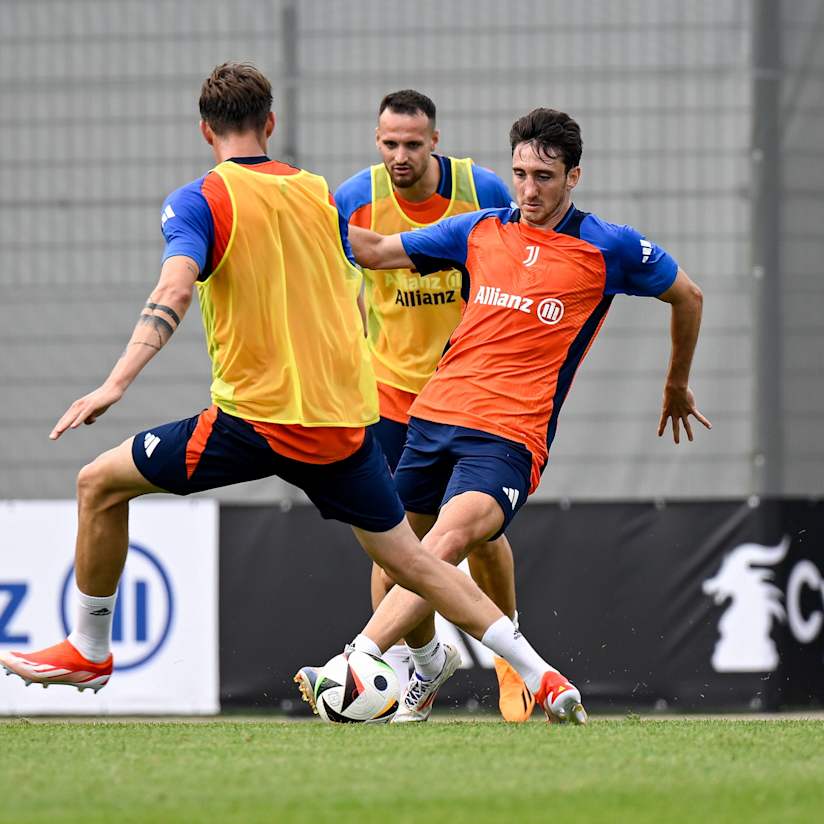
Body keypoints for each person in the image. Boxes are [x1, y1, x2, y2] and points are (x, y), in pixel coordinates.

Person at [0, 67, 586, 730]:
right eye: (387, 143)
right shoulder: (318, 194)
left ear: (204, 130)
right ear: (270, 125)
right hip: (345, 418)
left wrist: (116, 381)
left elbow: (175, 289)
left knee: (99, 483)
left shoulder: (199, 200)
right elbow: (357, 265)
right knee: (415, 561)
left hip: (257, 418)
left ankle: (91, 648)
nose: (399, 156)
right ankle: (538, 673)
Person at [299, 107, 709, 723]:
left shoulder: (608, 246)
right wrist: (300, 219)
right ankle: (433, 663)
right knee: (391, 563)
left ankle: (353, 662)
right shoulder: (482, 230)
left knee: (448, 540)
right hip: (432, 420)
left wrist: (676, 382)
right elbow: (379, 250)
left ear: (574, 177)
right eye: (520, 173)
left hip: (509, 436)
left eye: (544, 176)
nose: (528, 189)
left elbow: (689, 295)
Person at [334, 89, 533, 722]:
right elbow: (332, 285)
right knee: (395, 550)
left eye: (413, 144)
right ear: (376, 141)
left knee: (482, 534)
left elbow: (519, 267)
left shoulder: (481, 189)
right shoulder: (353, 199)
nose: (400, 155)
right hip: (390, 397)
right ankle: (422, 670)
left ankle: (510, 661)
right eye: (389, 143)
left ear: (435, 141)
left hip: (471, 393)